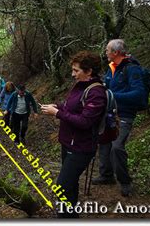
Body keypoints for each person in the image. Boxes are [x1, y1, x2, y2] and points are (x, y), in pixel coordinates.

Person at [41, 51, 107, 218]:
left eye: (76, 71)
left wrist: (57, 113)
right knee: (70, 185)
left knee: (62, 186)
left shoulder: (96, 92)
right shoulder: (80, 86)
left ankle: (65, 217)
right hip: (68, 143)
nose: (73, 74)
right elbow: (69, 105)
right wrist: (56, 106)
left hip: (81, 148)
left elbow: (86, 122)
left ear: (89, 71)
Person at [92, 39, 146, 197]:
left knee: (117, 146)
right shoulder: (111, 68)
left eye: (107, 50)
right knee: (104, 142)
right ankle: (106, 175)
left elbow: (139, 94)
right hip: (109, 113)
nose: (105, 52)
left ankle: (125, 181)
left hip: (124, 115)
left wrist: (112, 95)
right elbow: (107, 87)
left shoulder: (132, 69)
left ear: (115, 53)